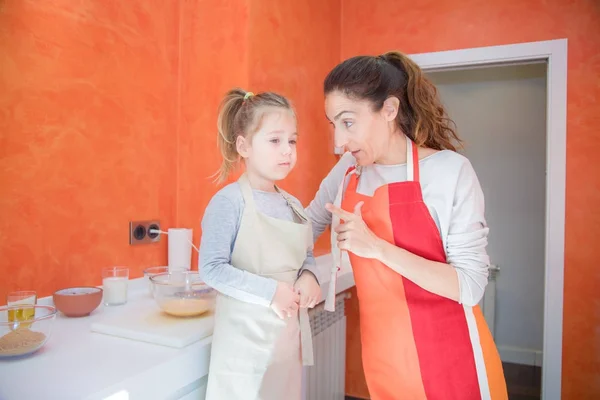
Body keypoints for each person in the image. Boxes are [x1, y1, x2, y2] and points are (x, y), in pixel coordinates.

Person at [306, 52, 508, 399]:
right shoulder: (348, 170)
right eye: (333, 124)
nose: (338, 141)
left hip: (451, 362)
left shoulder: (450, 172)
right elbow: (306, 225)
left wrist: (377, 248)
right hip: (385, 360)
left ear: (389, 110)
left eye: (348, 122)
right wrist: (305, 270)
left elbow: (470, 285)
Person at [200, 89, 321, 400]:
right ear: (244, 146)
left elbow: (305, 257)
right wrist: (271, 293)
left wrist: (309, 276)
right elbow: (211, 269)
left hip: (284, 347)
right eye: (275, 140)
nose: (287, 151)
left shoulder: (293, 205)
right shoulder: (229, 202)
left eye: (292, 141)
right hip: (243, 354)